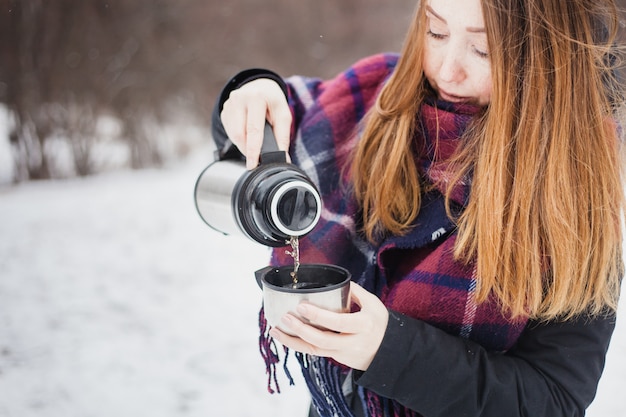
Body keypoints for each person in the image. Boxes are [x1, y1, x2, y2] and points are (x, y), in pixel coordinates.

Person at [211, 0, 625, 416]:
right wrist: (252, 90)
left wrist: (391, 351)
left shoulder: (578, 191)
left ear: (547, 57)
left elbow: (552, 399)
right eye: (437, 32)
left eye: (483, 51)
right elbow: (276, 122)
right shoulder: (374, 97)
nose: (448, 70)